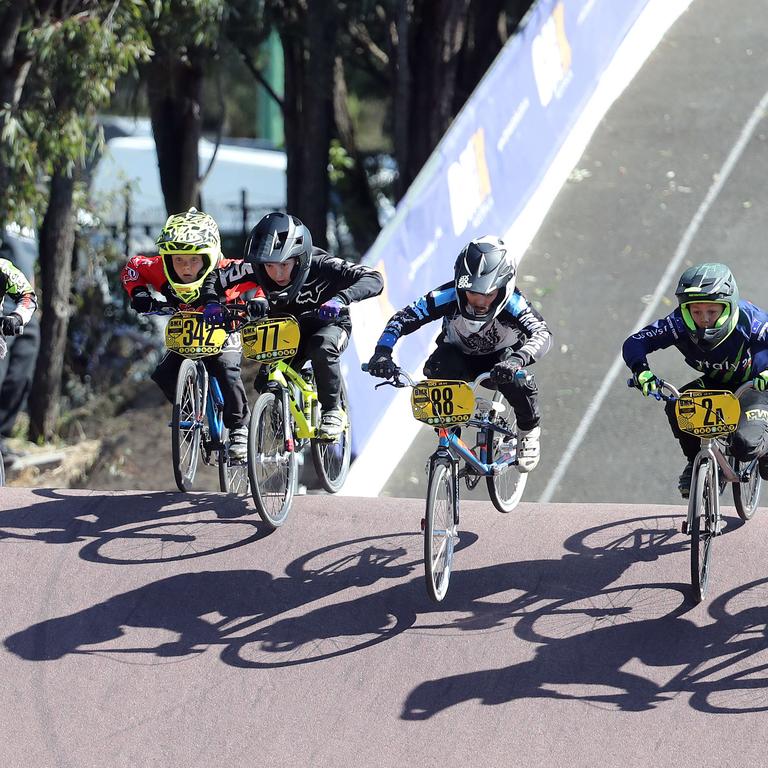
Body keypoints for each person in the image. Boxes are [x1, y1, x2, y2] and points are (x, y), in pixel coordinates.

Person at [366, 235, 552, 472]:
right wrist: (383, 352)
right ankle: (449, 440)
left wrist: (517, 360)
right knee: (439, 367)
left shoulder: (515, 304)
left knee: (518, 379)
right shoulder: (447, 296)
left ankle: (528, 431)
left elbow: (544, 334)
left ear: (504, 288)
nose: (479, 301)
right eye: (471, 292)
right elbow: (402, 318)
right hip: (457, 358)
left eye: (488, 293)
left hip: (502, 362)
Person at [210, 211, 384, 438]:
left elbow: (374, 278)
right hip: (287, 329)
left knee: (321, 347)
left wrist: (341, 299)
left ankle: (333, 410)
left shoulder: (322, 264)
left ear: (300, 257)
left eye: (284, 265)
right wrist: (212, 303)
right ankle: (287, 436)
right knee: (264, 381)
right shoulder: (256, 268)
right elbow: (216, 278)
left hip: (328, 325)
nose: (277, 274)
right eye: (270, 266)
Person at [120, 208, 261, 460]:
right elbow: (133, 268)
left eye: (194, 260)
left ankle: (239, 428)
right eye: (179, 260)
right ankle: (189, 412)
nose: (186, 268)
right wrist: (139, 293)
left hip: (225, 331)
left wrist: (260, 300)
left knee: (227, 371)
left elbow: (263, 275)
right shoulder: (159, 269)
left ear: (209, 257)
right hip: (188, 335)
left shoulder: (229, 270)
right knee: (164, 374)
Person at [622, 262, 768, 498]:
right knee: (677, 406)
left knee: (746, 446)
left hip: (755, 386)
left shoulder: (753, 321)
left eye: (712, 311)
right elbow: (635, 342)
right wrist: (641, 371)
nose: (704, 319)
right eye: (696, 311)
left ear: (729, 306)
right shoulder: (678, 322)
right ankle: (696, 462)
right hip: (716, 383)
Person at [0, 228, 40, 466]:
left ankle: (2, 436)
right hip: (3, 302)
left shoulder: (30, 214)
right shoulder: (8, 200)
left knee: (20, 376)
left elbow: (27, 268)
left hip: (21, 307)